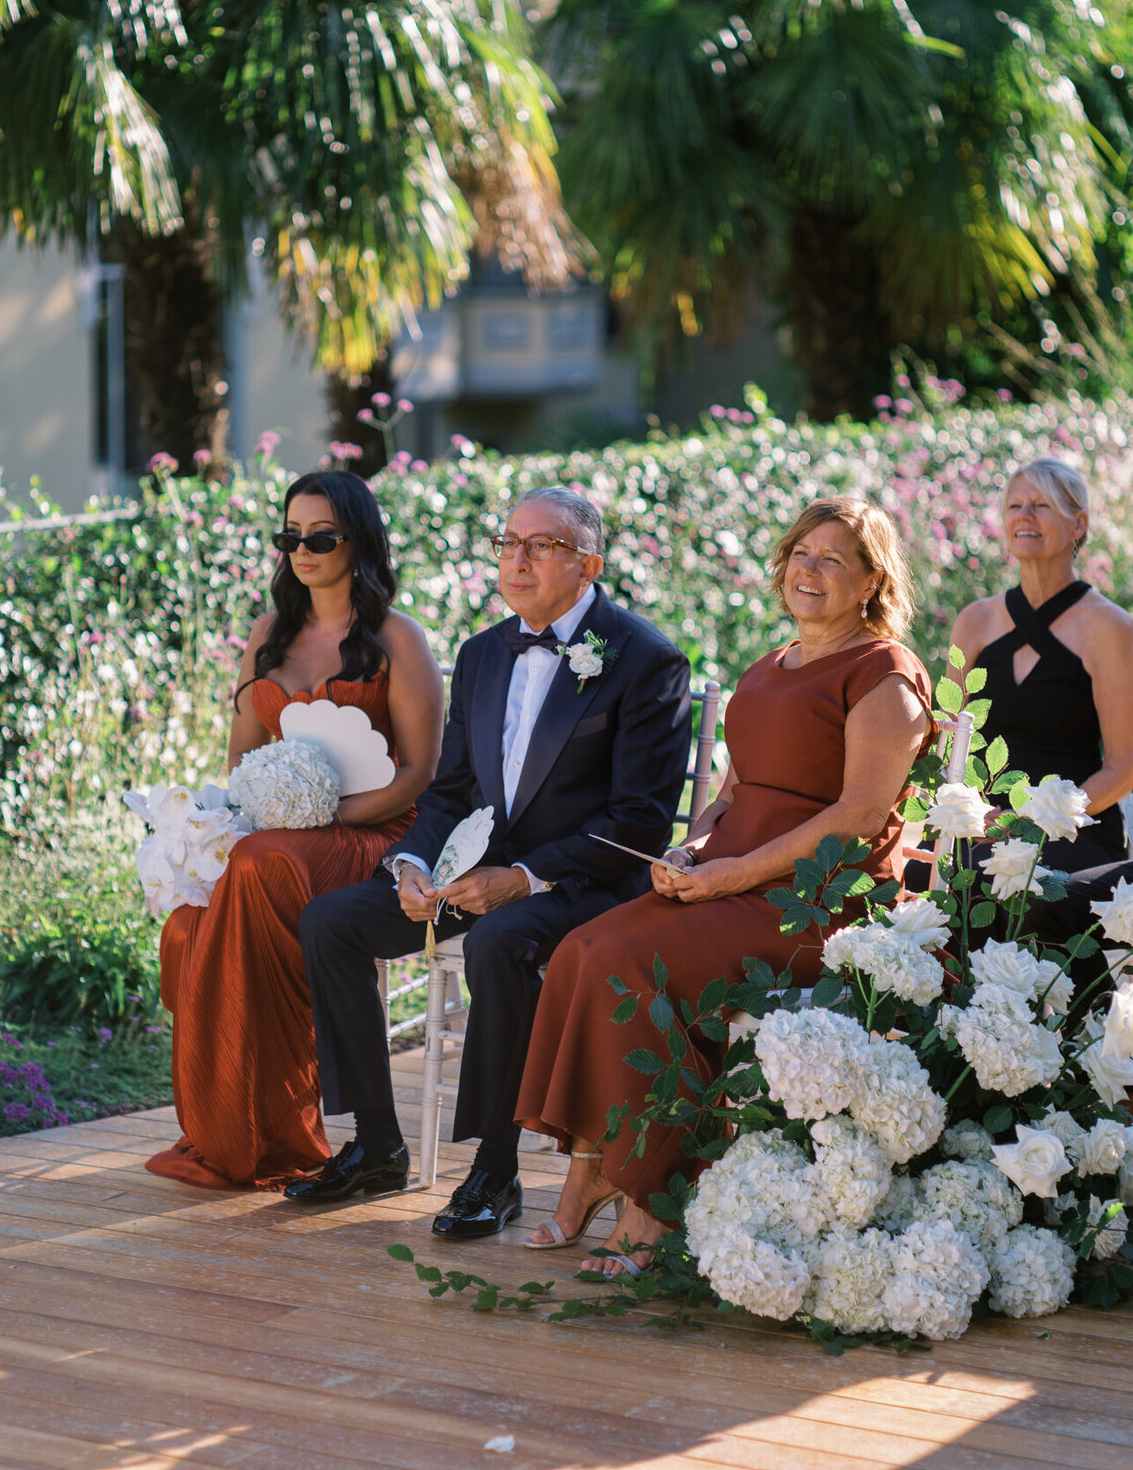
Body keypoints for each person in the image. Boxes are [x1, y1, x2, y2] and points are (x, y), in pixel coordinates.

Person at [516, 497, 933, 1275]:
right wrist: (691, 849)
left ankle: (657, 1195)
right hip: (728, 884)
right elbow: (733, 794)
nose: (809, 570)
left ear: (872, 580)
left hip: (816, 903)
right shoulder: (767, 668)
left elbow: (859, 816)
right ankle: (596, 1165)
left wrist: (729, 874)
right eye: (801, 553)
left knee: (631, 964)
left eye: (833, 559)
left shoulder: (885, 673)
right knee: (583, 948)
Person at [284, 486, 693, 1238]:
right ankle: (376, 1144)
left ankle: (495, 1172)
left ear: (589, 564)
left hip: (583, 881)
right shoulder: (481, 654)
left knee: (501, 941)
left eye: (542, 546)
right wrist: (412, 863)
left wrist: (524, 880)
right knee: (331, 921)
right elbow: (450, 792)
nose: (518, 560)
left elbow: (639, 819)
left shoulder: (646, 660)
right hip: (471, 869)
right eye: (508, 543)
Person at [145, 470, 444, 1189]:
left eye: (321, 537)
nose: (302, 550)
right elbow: (241, 764)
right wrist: (241, 813)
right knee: (188, 926)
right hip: (278, 837)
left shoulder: (398, 639)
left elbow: (420, 775)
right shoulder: (267, 635)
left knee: (262, 862)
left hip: (379, 833)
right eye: (290, 537)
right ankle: (236, 1127)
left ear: (358, 542)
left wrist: (326, 815)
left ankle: (279, 1130)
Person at [949, 457, 1133, 873]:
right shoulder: (974, 621)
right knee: (929, 874)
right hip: (979, 826)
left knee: (1029, 888)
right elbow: (950, 748)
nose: (1025, 515)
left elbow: (1124, 767)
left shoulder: (1111, 627)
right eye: (1015, 506)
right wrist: (973, 813)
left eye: (1041, 505)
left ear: (1079, 524)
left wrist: (1034, 821)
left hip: (1074, 829)